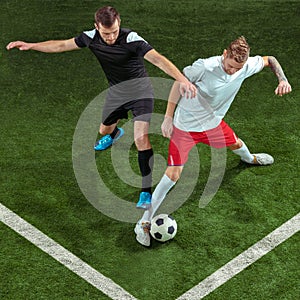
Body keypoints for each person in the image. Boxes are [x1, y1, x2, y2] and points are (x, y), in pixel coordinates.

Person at [6, 6, 196, 209]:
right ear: (96, 27)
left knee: (141, 138)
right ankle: (114, 134)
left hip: (141, 93)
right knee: (104, 129)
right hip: (116, 93)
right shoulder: (90, 37)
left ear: (119, 23)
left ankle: (145, 191)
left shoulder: (131, 39)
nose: (112, 36)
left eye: (114, 31)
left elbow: (157, 59)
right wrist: (31, 45)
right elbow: (61, 45)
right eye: (106, 33)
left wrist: (182, 79)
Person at [134, 36, 292, 246]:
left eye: (237, 68)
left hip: (212, 125)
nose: (232, 71)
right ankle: (143, 223)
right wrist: (168, 118)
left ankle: (250, 159)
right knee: (173, 175)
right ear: (224, 54)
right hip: (185, 128)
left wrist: (282, 79)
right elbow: (176, 84)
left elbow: (270, 59)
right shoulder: (205, 67)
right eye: (230, 66)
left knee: (236, 143)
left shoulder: (244, 67)